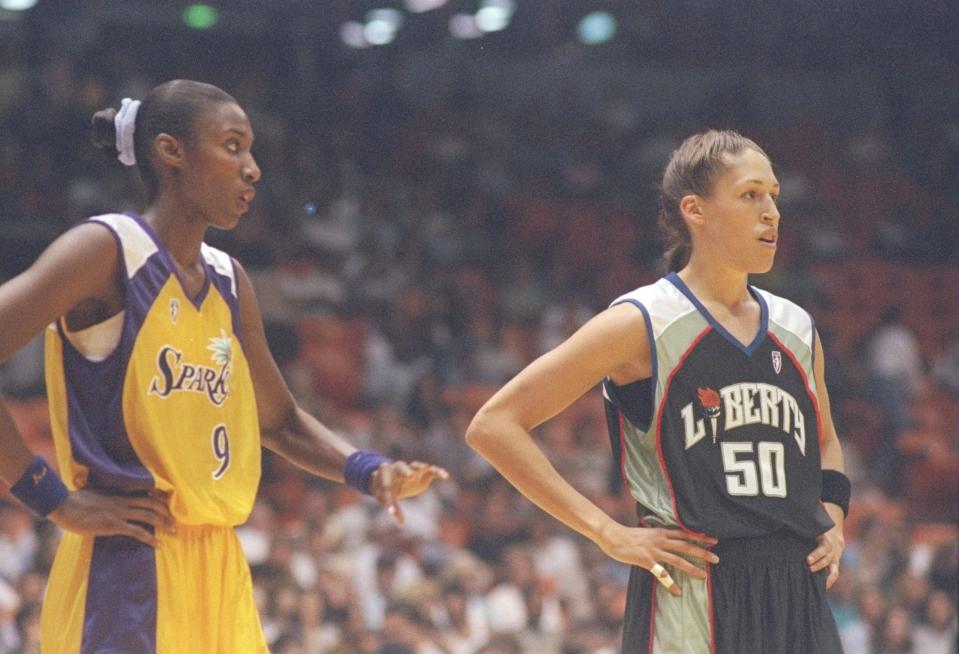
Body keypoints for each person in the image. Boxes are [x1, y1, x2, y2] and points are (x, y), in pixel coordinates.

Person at [0, 79, 448, 653]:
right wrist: (52, 499)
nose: (253, 168)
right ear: (172, 152)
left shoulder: (230, 279)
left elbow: (279, 421)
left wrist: (369, 471)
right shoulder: (105, 251)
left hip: (218, 563)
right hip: (130, 558)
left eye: (251, 149)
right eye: (233, 146)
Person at [466, 130, 848, 653]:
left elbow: (825, 442)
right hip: (695, 589)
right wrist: (607, 532)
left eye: (774, 196)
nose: (771, 212)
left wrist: (836, 522)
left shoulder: (796, 326)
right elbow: (494, 425)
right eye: (750, 194)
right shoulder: (642, 322)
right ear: (695, 209)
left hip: (796, 592)